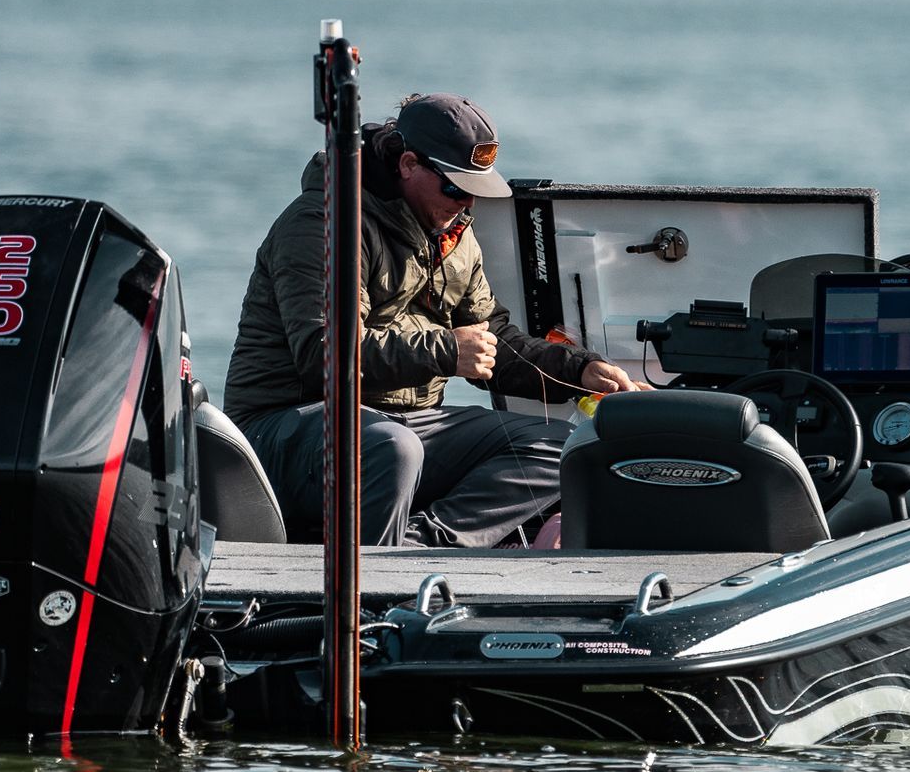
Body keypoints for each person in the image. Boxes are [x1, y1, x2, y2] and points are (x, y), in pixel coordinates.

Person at [224, 92, 645, 547]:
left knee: (562, 446)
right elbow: (322, 355)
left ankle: (420, 547)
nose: (465, 203)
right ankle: (376, 590)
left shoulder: (456, 235)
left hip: (397, 424)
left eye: (475, 192)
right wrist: (447, 351)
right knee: (392, 448)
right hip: (283, 430)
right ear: (407, 164)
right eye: (454, 187)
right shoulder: (323, 222)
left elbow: (493, 341)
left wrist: (580, 371)